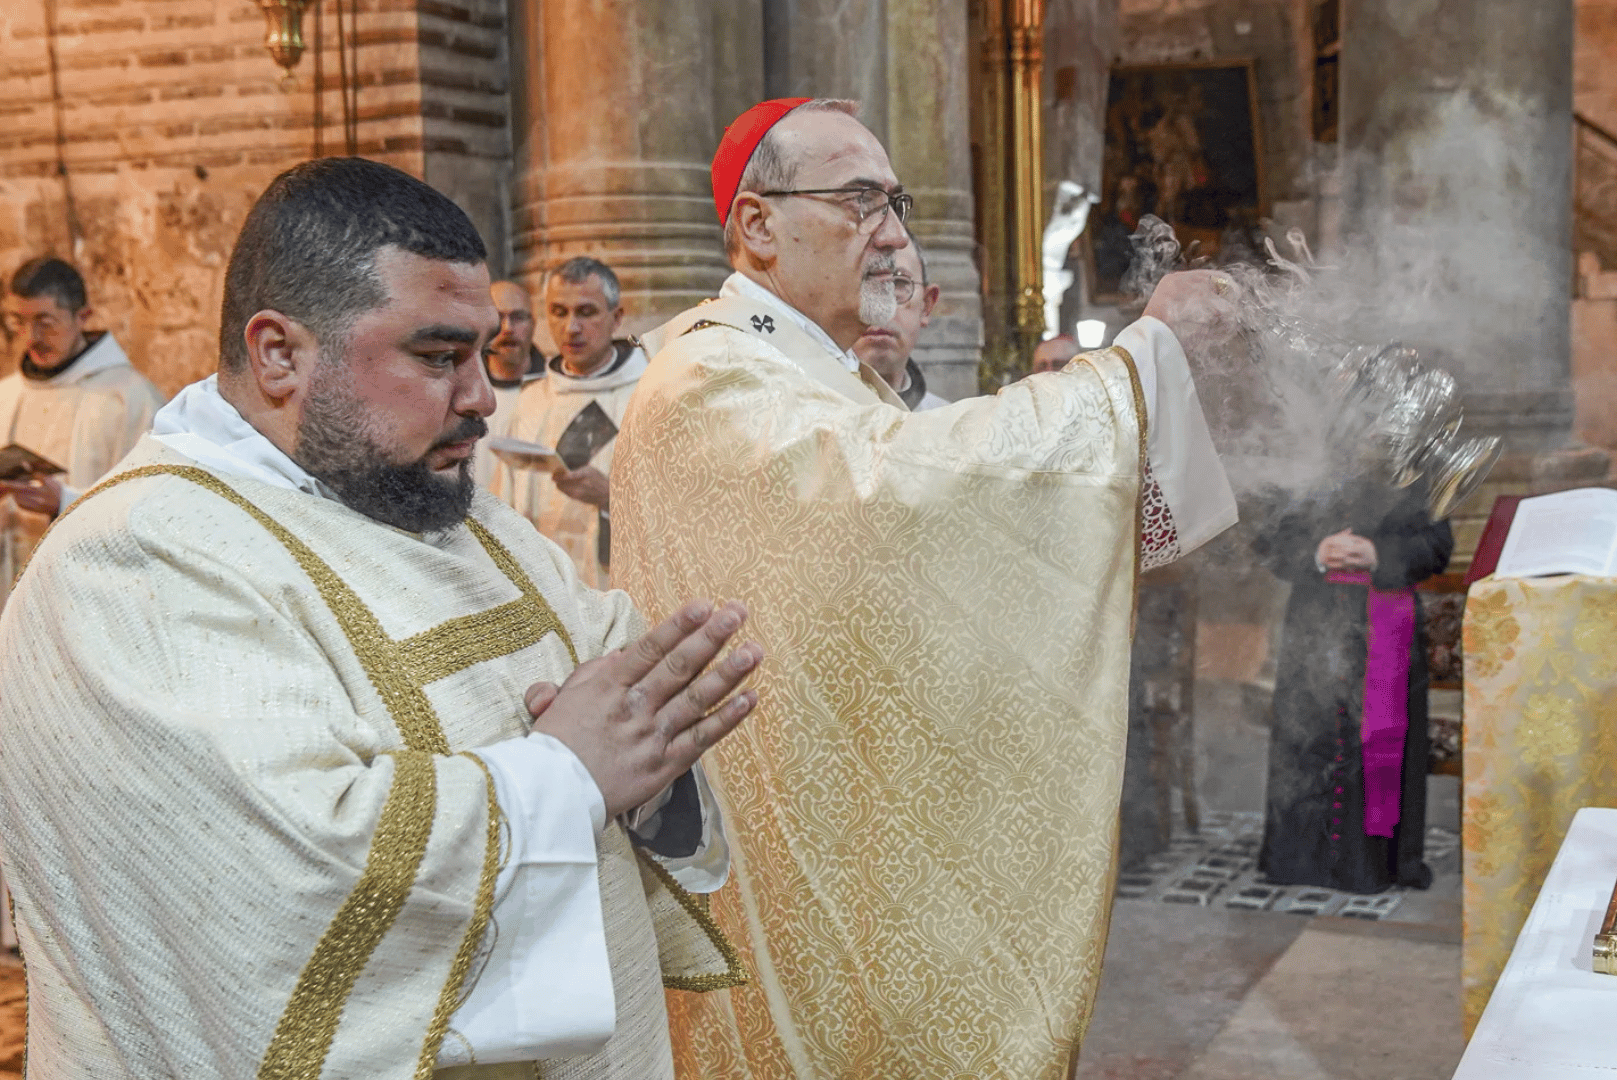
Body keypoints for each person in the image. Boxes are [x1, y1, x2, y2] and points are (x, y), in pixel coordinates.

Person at [0, 157, 763, 1077]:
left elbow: (615, 694)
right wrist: (566, 775)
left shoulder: (465, 516)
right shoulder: (135, 562)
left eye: (481, 350)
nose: (482, 398)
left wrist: (653, 753)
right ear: (279, 354)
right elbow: (282, 885)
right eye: (438, 357)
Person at [614, 97, 1239, 1078]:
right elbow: (898, 487)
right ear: (757, 224)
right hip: (779, 846)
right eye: (860, 200)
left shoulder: (807, 371)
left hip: (845, 821)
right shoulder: (706, 376)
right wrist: (1141, 363)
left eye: (895, 202)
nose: (894, 234)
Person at [0, 257, 164, 667]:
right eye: (19, 322)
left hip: (89, 613)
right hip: (7, 604)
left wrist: (62, 503)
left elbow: (156, 509)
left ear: (83, 316)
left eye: (45, 322)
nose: (31, 337)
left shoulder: (130, 399)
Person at [1253, 481, 1453, 894]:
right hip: (1314, 620)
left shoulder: (1416, 471)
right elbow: (1268, 535)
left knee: (1378, 746)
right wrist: (1317, 553)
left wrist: (1378, 555)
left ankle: (1378, 865)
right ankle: (1300, 860)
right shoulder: (1304, 459)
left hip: (1386, 622)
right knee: (1307, 739)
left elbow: (1437, 547)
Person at [496, 257, 644, 588]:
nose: (571, 327)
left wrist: (610, 498)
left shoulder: (648, 394)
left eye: (586, 312)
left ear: (616, 318)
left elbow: (682, 508)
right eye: (559, 312)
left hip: (618, 585)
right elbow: (504, 503)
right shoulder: (531, 400)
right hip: (545, 588)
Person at [850, 232, 948, 409]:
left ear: (926, 305)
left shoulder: (948, 426)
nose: (880, 309)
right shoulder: (803, 420)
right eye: (863, 283)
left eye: (897, 284)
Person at [472, 277, 546, 490]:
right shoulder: (464, 394)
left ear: (534, 323)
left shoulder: (556, 391)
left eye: (518, 317)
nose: (507, 329)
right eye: (498, 317)